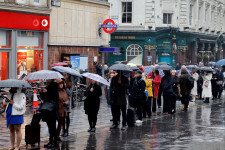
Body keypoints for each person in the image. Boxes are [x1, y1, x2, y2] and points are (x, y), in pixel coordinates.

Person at [40, 79, 59, 148]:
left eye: (48, 79)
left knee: (52, 127)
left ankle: (54, 142)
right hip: (48, 110)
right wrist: (42, 92)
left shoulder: (54, 86)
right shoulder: (48, 87)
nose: (47, 80)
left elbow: (54, 98)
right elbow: (44, 98)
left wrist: (46, 92)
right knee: (50, 127)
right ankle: (51, 141)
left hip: (52, 110)